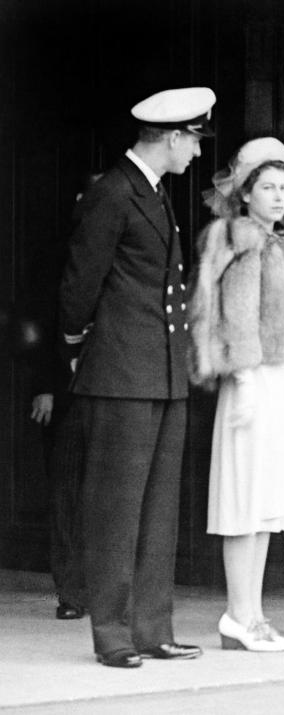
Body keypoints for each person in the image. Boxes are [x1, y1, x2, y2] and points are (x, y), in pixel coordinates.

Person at [59, 87, 215, 668]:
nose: (197, 152)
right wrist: (76, 347)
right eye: (195, 140)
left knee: (156, 511)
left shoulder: (149, 191)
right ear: (173, 137)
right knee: (116, 509)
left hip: (160, 371)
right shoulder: (113, 192)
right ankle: (113, 634)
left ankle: (152, 628)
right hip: (122, 371)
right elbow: (80, 284)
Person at [188, 137, 284, 652]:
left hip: (282, 379)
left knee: (269, 502)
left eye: (282, 188)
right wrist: (242, 377)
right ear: (244, 194)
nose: (278, 197)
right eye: (266, 187)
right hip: (252, 381)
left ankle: (252, 615)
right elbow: (233, 311)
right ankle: (239, 615)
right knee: (245, 500)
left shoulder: (283, 245)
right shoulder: (235, 237)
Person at [30, 171, 101, 621]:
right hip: (66, 393)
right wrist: (45, 386)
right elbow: (38, 323)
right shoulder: (57, 256)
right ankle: (72, 592)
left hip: (114, 389)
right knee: (68, 493)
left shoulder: (127, 252)